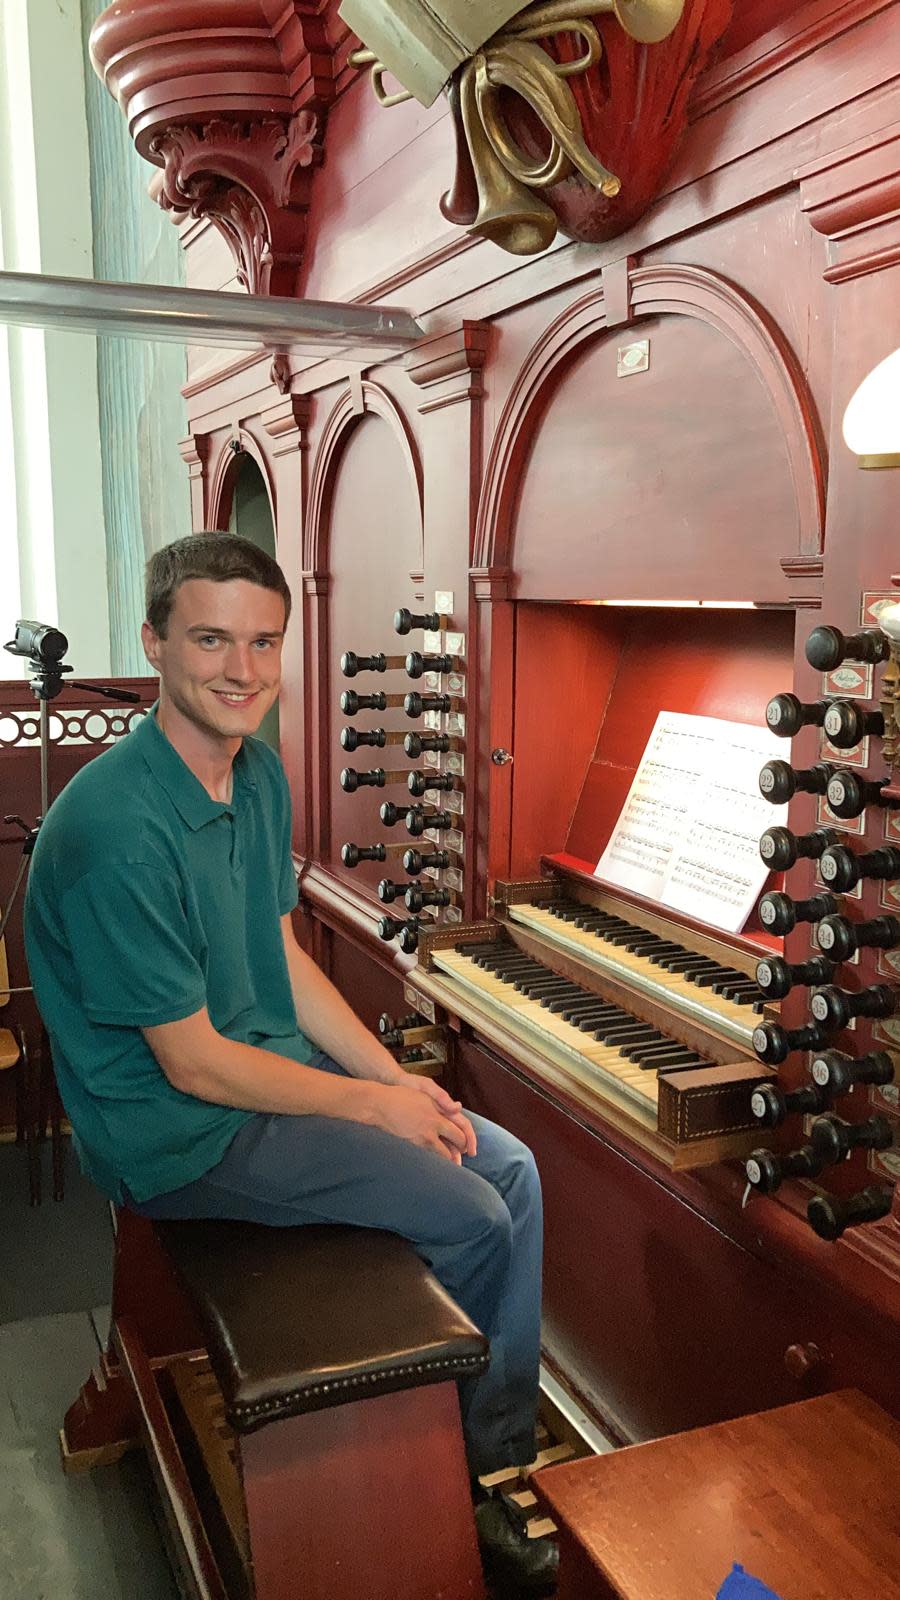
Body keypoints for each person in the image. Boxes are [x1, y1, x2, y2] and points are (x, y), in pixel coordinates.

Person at [24, 532, 557, 1598]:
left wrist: (396, 1088)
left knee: (511, 1169)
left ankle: (497, 1454)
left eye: (264, 642)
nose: (243, 669)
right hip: (177, 1132)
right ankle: (452, 1488)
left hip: (257, 1079)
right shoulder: (115, 827)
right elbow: (194, 1066)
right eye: (211, 638)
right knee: (472, 1212)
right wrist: (370, 1105)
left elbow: (280, 954)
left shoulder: (253, 771)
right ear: (155, 644)